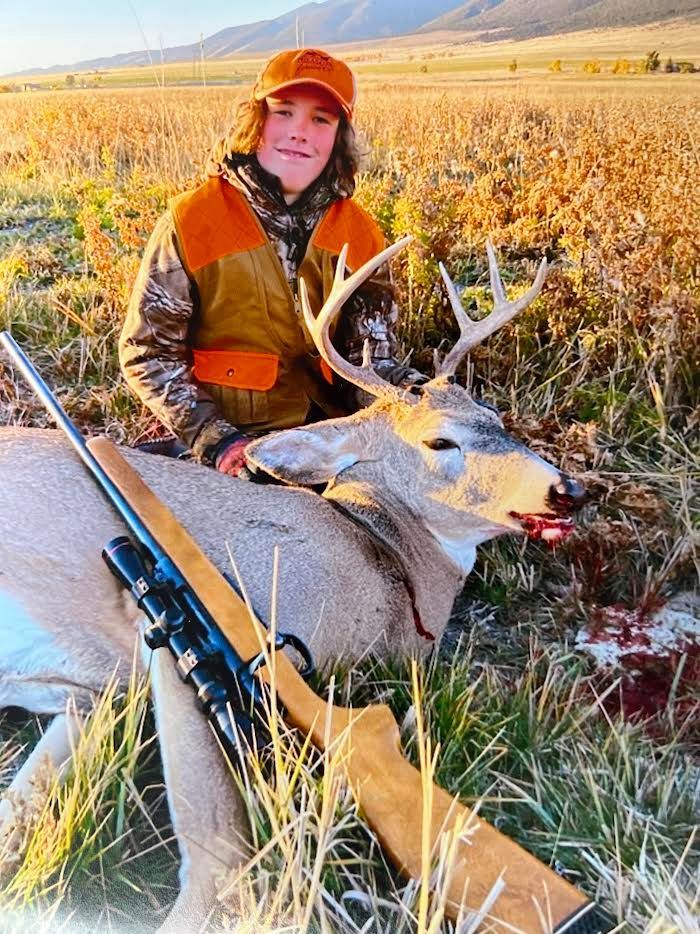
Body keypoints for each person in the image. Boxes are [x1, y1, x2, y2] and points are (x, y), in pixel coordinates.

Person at [119, 47, 425, 477]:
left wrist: (424, 400)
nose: (300, 132)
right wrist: (217, 440)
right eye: (284, 112)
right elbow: (147, 353)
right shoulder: (193, 221)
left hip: (329, 442)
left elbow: (372, 365)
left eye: (321, 119)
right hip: (228, 444)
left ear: (339, 137)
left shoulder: (361, 235)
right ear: (255, 122)